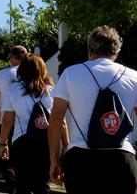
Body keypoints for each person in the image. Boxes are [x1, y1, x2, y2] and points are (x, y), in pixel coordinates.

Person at [49, 26, 137, 194]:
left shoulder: (71, 74)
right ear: (117, 50)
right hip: (122, 158)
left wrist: (54, 159)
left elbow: (55, 119)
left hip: (81, 159)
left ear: (89, 48)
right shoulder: (133, 76)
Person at [0, 53, 53, 194]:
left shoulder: (14, 89)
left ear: (21, 70)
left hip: (22, 141)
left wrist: (3, 143)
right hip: (45, 141)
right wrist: (65, 144)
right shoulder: (50, 90)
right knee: (41, 184)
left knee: (22, 183)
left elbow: (8, 119)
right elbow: (61, 121)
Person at [0, 45, 26, 193]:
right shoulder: (34, 73)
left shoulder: (1, 75)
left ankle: (14, 188)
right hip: (29, 124)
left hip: (6, 122)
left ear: (12, 58)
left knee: (5, 161)